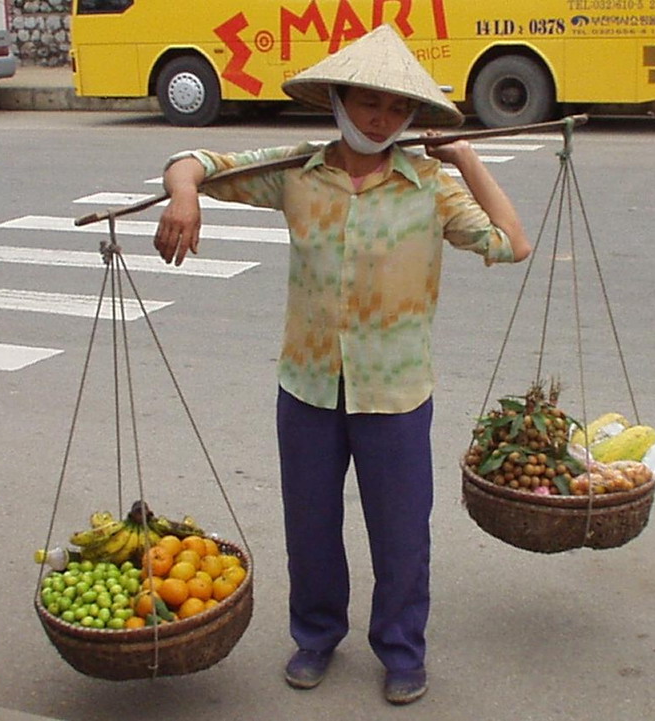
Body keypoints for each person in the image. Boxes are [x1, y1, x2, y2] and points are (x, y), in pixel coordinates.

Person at [153, 25, 532, 705]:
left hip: (396, 393)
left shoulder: (429, 186)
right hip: (307, 387)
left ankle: (401, 649)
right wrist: (184, 193)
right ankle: (317, 633)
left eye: (396, 110)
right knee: (310, 523)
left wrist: (469, 160)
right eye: (367, 104)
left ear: (412, 118)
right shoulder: (299, 170)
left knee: (401, 533)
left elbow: (512, 243)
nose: (381, 119)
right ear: (337, 100)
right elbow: (193, 159)